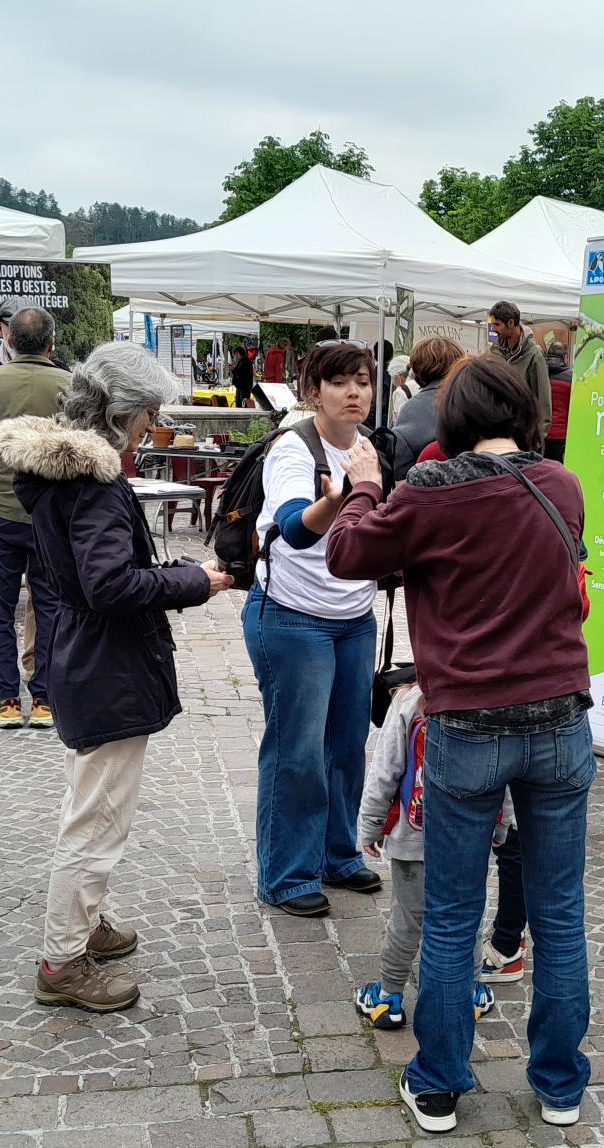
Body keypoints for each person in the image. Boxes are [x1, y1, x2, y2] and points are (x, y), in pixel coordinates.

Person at [325, 353, 593, 1135]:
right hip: (559, 720)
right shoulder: (563, 486)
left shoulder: (426, 498)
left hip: (468, 722)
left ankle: (439, 1082)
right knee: (560, 912)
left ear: (451, 421)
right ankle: (558, 1084)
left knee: (448, 914)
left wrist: (369, 484)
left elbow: (347, 553)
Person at [0, 341, 234, 1011]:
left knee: (92, 804)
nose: (152, 426)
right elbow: (108, 582)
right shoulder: (94, 484)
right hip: (104, 661)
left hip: (85, 654)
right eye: (148, 413)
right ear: (122, 413)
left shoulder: (60, 473)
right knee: (97, 819)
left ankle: (83, 924)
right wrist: (194, 579)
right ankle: (62, 959)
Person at [241, 341, 383, 918]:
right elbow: (297, 529)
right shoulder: (293, 449)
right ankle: (286, 873)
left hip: (354, 618)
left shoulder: (369, 448)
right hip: (293, 617)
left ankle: (337, 852)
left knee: (348, 744)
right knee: (297, 750)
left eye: (364, 381)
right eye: (340, 382)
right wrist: (347, 496)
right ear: (313, 391)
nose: (354, 393)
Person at [353, 683, 506, 1034]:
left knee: (407, 919)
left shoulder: (409, 699)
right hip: (470, 838)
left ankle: (388, 997)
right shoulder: (491, 694)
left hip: (412, 836)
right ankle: (466, 994)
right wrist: (501, 825)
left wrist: (371, 826)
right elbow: (502, 772)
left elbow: (385, 770)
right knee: (465, 917)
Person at [0, 306, 68, 730]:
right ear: (52, 343)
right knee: (51, 604)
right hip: (50, 515)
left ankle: (5, 699)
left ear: (7, 341)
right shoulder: (69, 384)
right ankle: (43, 698)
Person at [388, 337, 464, 479]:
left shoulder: (412, 408)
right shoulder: (475, 399)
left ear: (417, 368)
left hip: (429, 493)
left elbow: (397, 466)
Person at [489, 301, 551, 436]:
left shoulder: (534, 355)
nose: (493, 329)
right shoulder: (494, 351)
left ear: (511, 323)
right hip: (496, 432)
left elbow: (543, 400)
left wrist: (539, 437)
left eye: (497, 324)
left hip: (522, 434)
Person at [543, 342, 572, 463]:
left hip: (541, 432)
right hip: (560, 435)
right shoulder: (570, 378)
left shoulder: (539, 373)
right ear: (564, 356)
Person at [385, 354, 414, 420]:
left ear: (397, 378)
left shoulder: (400, 392)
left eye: (393, 379)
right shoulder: (423, 386)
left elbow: (400, 421)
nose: (394, 384)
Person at [231, 343, 256, 408]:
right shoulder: (241, 361)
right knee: (239, 402)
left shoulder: (246, 361)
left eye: (236, 354)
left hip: (245, 386)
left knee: (243, 402)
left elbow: (241, 372)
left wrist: (233, 369)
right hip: (240, 386)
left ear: (240, 353)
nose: (235, 356)